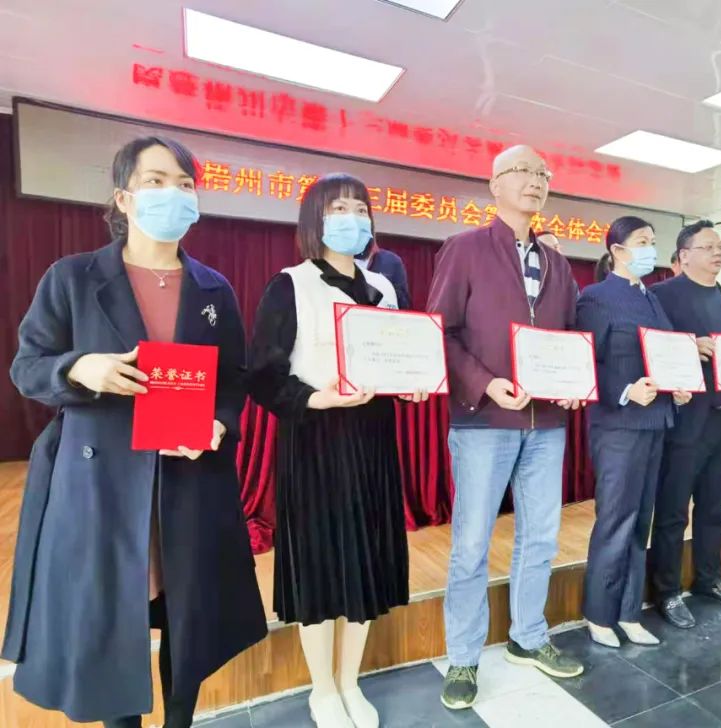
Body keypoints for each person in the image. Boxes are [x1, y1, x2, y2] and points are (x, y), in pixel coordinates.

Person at [4, 137, 266, 727]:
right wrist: (78, 368)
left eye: (185, 183)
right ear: (123, 198)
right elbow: (27, 365)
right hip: (101, 484)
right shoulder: (73, 277)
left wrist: (219, 425)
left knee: (189, 620)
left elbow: (234, 379)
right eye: (156, 181)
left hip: (189, 476)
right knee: (108, 620)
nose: (174, 193)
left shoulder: (213, 288)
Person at [249, 173, 421, 728]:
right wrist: (315, 398)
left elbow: (401, 354)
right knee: (321, 566)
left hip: (371, 440)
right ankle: (321, 688)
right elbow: (262, 375)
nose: (353, 218)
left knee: (365, 562)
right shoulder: (291, 284)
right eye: (339, 208)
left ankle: (350, 681)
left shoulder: (384, 287)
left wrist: (414, 382)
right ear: (314, 221)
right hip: (316, 442)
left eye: (360, 208)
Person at [428, 145, 584, 710]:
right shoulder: (465, 249)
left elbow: (568, 340)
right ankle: (463, 656)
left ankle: (528, 637)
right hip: (485, 421)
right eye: (522, 171)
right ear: (494, 184)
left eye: (543, 172)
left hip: (546, 424)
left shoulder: (558, 264)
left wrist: (574, 382)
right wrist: (486, 382)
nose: (535, 180)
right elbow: (441, 331)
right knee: (471, 543)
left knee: (540, 537)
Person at [576, 217, 691, 648]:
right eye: (642, 241)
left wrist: (678, 386)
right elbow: (587, 360)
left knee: (642, 520)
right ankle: (599, 613)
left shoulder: (652, 298)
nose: (650, 249)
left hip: (657, 420)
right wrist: (625, 390)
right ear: (617, 250)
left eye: (653, 241)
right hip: (619, 424)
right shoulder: (595, 297)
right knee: (616, 519)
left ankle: (628, 611)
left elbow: (664, 355)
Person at [649, 220, 721, 628]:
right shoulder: (663, 295)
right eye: (708, 247)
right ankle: (666, 591)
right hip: (684, 422)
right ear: (684, 255)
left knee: (715, 508)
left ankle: (709, 579)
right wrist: (687, 347)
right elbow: (650, 349)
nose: (717, 254)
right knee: (673, 512)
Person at [357, 238, 410, 308]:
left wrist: (384, 288)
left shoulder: (391, 261)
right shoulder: (344, 259)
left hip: (382, 312)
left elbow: (403, 304)